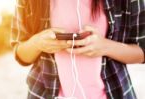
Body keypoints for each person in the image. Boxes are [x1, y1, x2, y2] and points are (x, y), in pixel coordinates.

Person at [11, 0, 145, 99]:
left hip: (114, 93)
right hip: (44, 94)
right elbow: (20, 55)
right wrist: (37, 43)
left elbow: (142, 52)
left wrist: (105, 46)